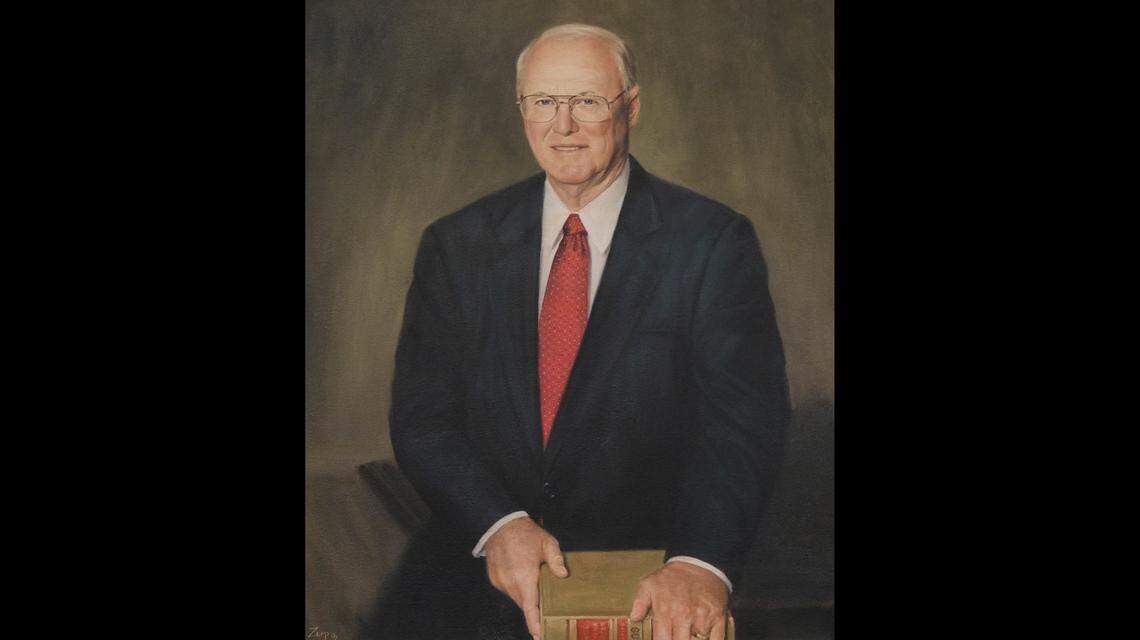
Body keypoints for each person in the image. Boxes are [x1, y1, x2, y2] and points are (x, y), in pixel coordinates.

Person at [377, 23, 790, 640]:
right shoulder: (456, 243)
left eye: (587, 101)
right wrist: (499, 525)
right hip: (474, 582)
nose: (562, 125)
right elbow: (421, 415)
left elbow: (743, 423)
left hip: (646, 581)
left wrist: (700, 563)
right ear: (522, 110)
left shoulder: (711, 241)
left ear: (632, 108)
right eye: (543, 101)